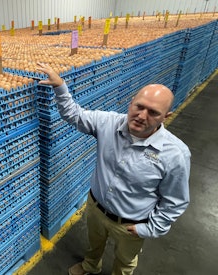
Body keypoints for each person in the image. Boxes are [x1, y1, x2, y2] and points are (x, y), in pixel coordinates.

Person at [36, 62, 191, 275]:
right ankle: (91, 265)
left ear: (166, 117)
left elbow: (175, 201)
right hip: (97, 208)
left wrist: (150, 228)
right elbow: (74, 115)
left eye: (153, 112)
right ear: (131, 104)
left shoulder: (175, 154)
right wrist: (60, 86)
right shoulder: (108, 123)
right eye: (139, 106)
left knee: (125, 262)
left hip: (130, 225)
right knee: (93, 245)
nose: (142, 116)